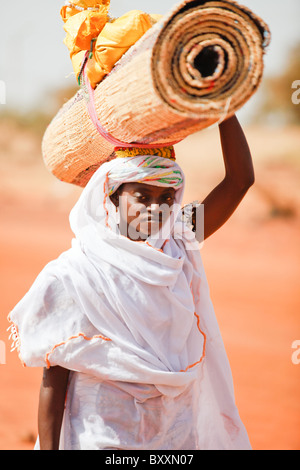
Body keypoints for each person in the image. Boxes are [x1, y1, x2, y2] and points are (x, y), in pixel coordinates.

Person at [8, 114, 254, 450]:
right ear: (112, 196)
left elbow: (240, 181)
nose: (156, 209)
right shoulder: (76, 272)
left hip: (174, 435)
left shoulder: (176, 243)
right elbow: (55, 375)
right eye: (142, 196)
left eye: (167, 198)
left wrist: (224, 105)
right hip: (103, 435)